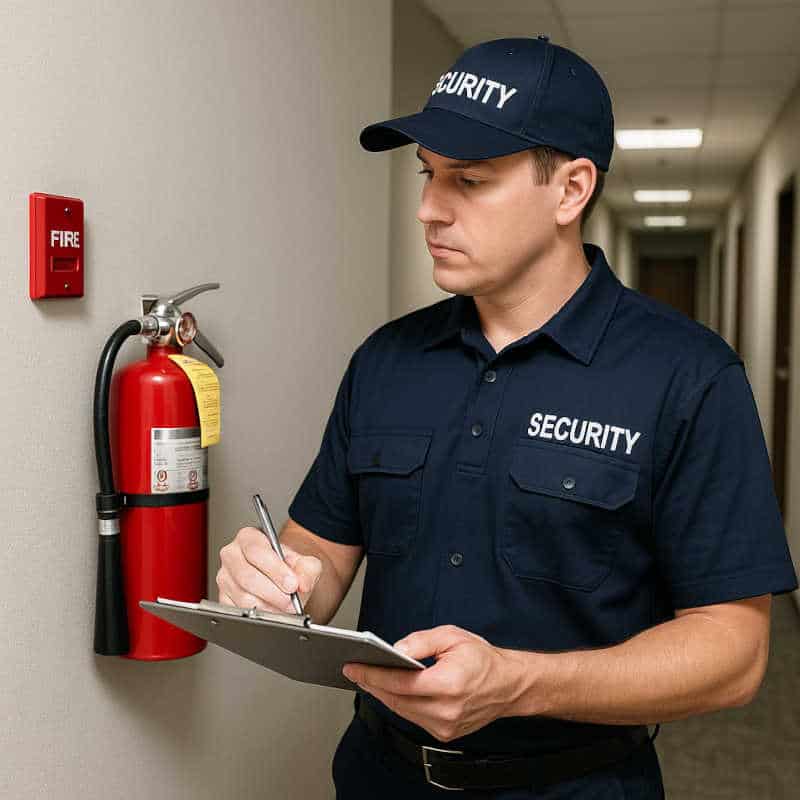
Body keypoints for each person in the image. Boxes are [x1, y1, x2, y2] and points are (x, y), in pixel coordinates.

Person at [216, 36, 799, 798]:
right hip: (378, 775)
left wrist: (521, 684)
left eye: (471, 179)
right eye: (428, 174)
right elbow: (319, 557)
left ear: (570, 190)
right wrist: (279, 582)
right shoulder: (387, 361)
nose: (429, 207)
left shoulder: (687, 376)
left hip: (576, 784)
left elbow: (734, 652)